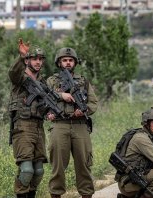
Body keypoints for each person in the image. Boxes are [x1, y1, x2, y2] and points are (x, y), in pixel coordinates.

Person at [46, 47, 98, 198]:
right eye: (64, 60)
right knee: (58, 165)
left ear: (75, 62)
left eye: (70, 60)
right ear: (59, 62)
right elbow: (44, 96)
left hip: (80, 125)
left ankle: (86, 194)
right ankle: (56, 194)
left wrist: (84, 110)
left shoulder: (83, 81)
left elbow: (93, 102)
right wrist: (62, 95)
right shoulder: (52, 81)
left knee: (84, 164)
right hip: (59, 124)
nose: (68, 63)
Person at [8, 39, 48, 198]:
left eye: (40, 59)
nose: (38, 62)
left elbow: (45, 104)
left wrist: (50, 112)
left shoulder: (43, 82)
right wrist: (20, 57)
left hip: (39, 127)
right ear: (27, 60)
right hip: (22, 126)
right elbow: (12, 73)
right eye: (34, 58)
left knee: (38, 171)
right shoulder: (20, 77)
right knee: (26, 170)